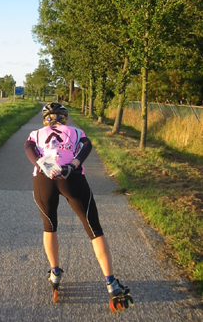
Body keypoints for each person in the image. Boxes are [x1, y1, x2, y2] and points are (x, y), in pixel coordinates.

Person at [24, 102, 132, 310]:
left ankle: (55, 273)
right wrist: (72, 166)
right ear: (64, 118)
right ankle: (111, 283)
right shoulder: (75, 130)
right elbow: (87, 145)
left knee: (49, 226)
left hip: (44, 178)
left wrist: (47, 167)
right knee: (94, 229)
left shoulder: (35, 133)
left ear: (45, 118)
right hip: (70, 176)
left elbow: (30, 150)